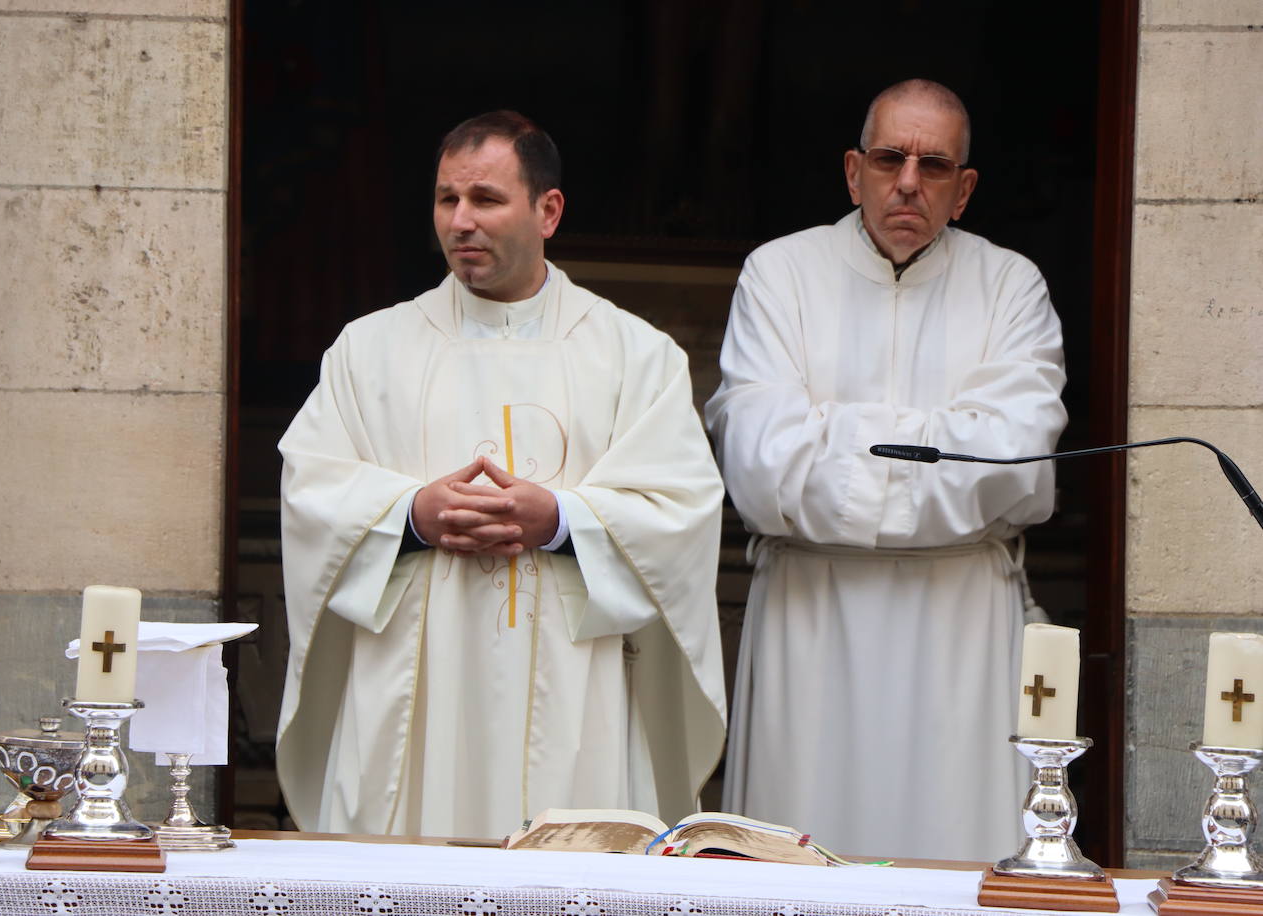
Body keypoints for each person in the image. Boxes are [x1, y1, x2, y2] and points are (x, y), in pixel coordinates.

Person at [276, 111, 727, 839]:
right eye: (446, 199)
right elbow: (311, 489)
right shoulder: (369, 350)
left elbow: (682, 507)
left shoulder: (634, 356)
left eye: (485, 200)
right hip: (413, 692)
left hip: (573, 684)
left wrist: (563, 520)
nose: (460, 221)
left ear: (548, 210)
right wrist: (412, 512)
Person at [705, 79, 1068, 861]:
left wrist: (832, 433)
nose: (908, 181)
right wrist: (938, 443)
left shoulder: (1012, 287)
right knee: (799, 858)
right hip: (813, 619)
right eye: (888, 158)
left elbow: (1014, 456)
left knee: (956, 854)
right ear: (852, 172)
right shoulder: (779, 274)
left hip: (959, 625)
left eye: (935, 166)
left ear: (964, 190)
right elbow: (762, 459)